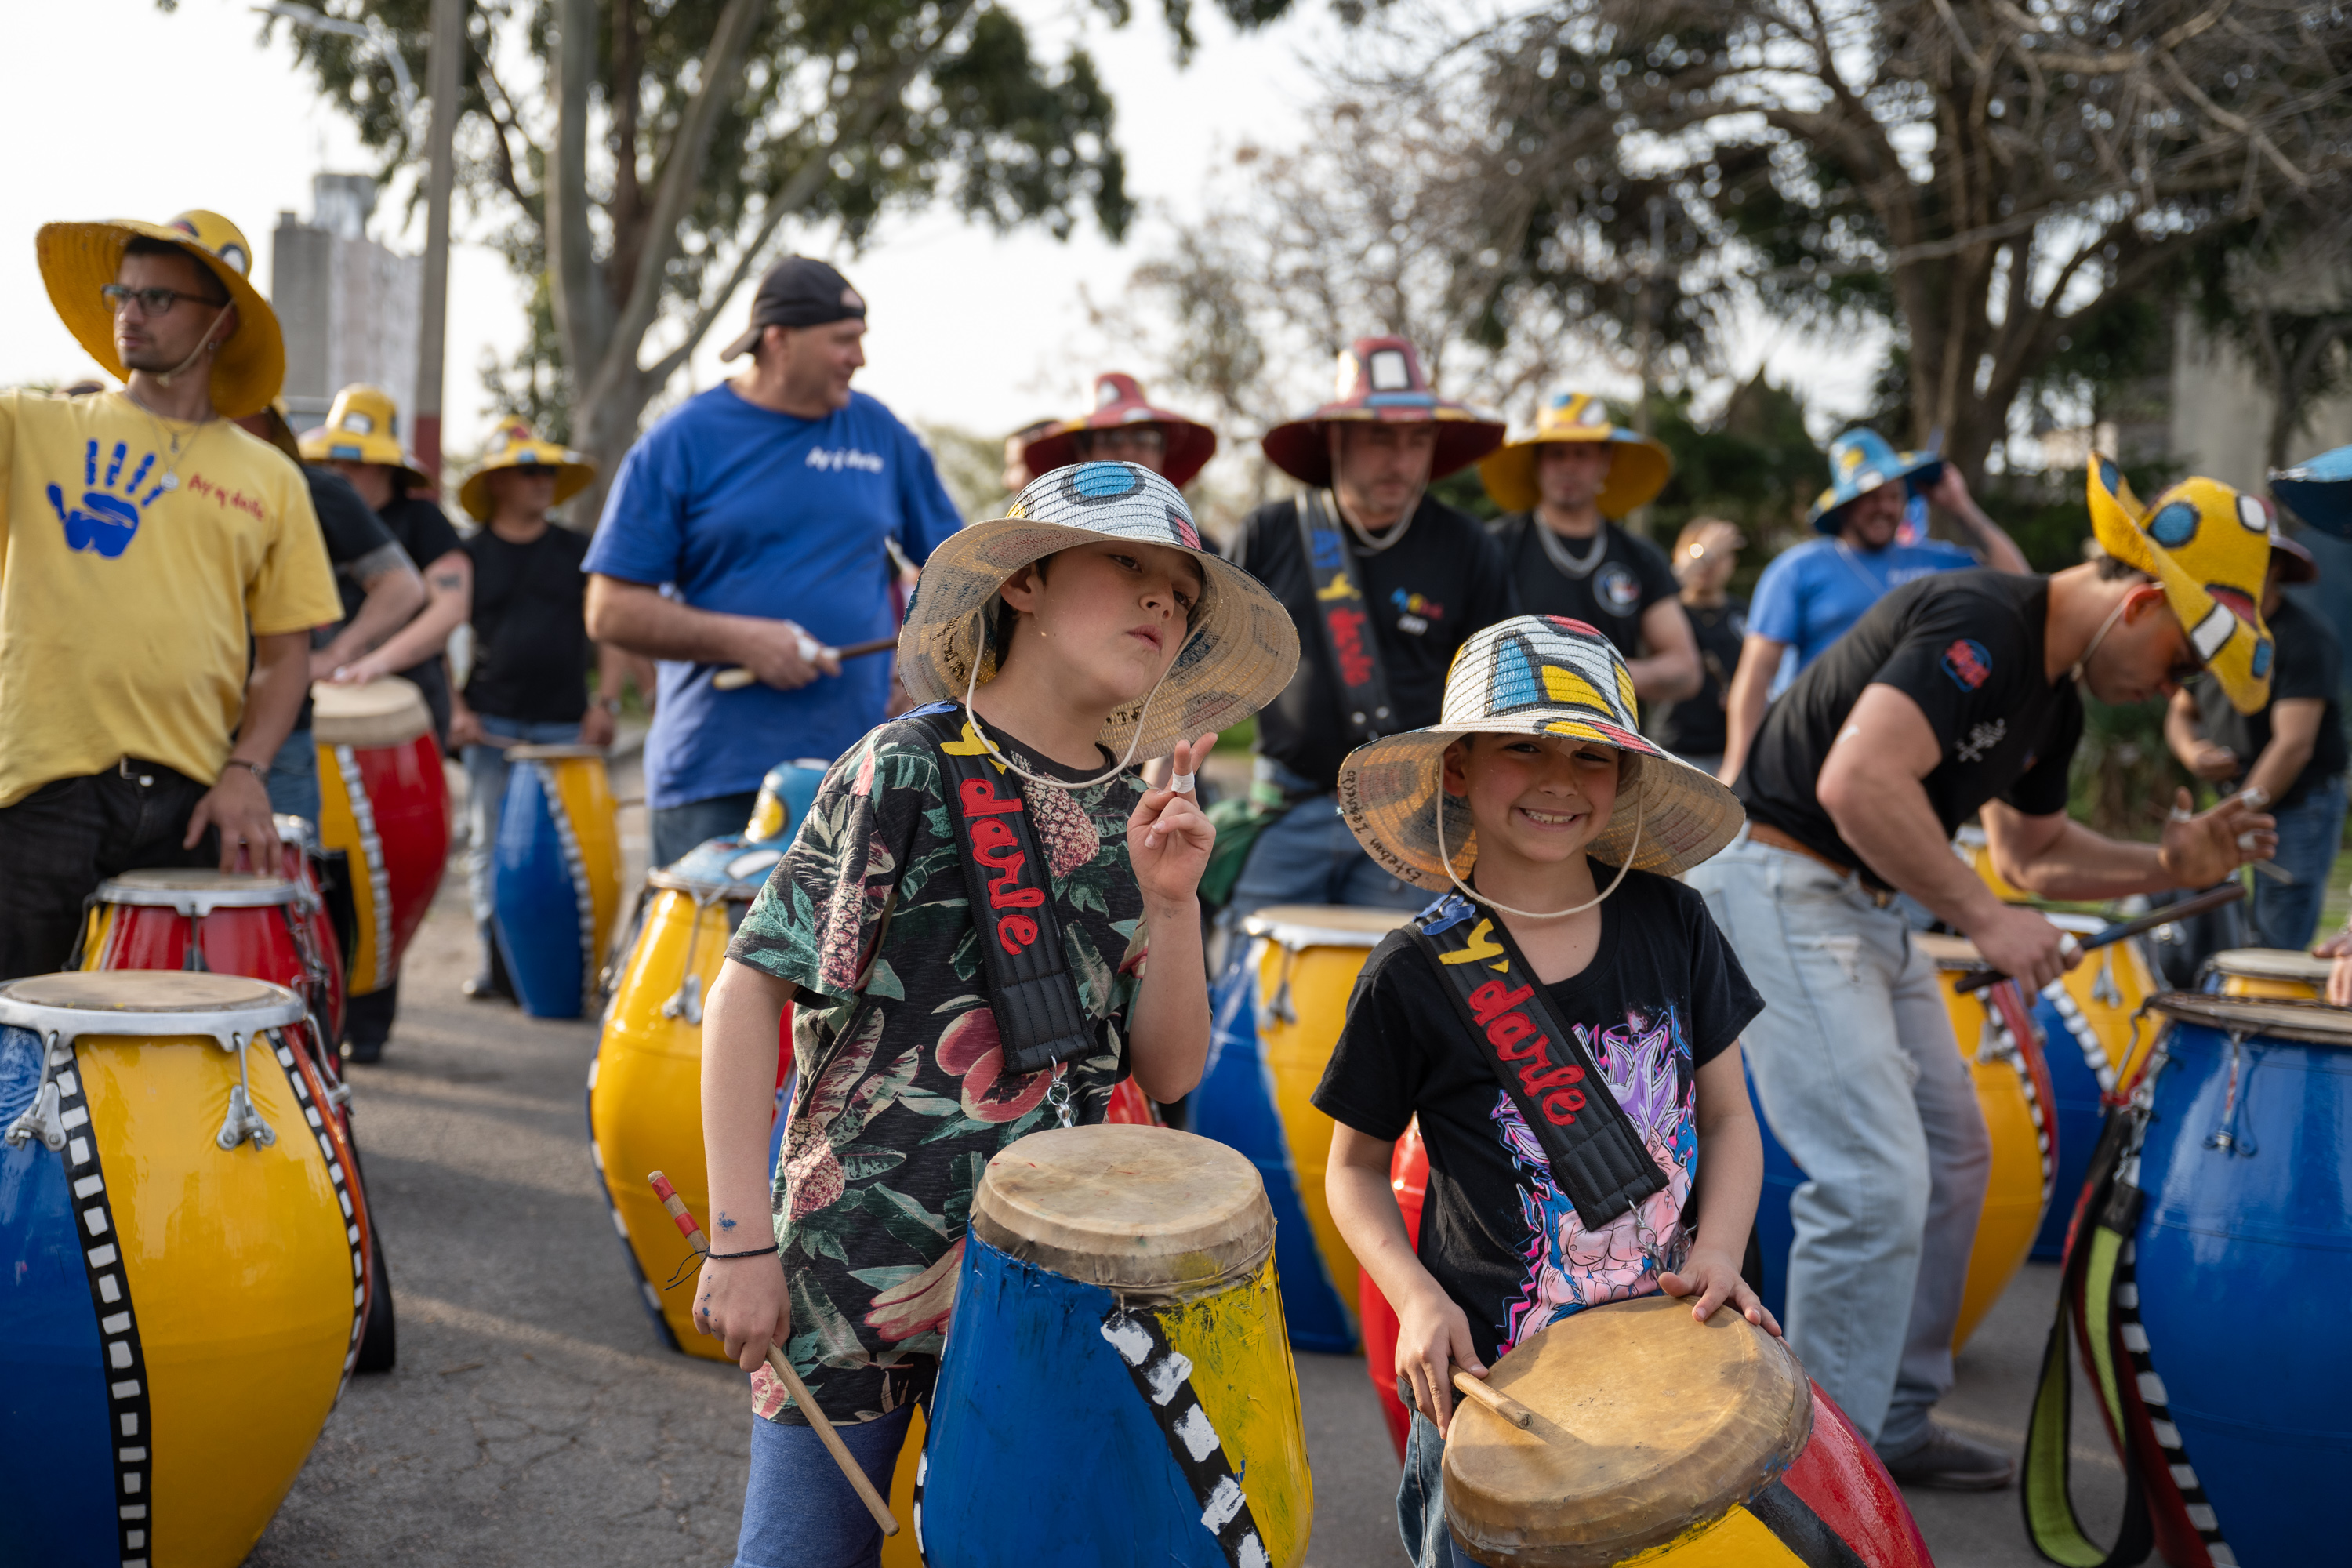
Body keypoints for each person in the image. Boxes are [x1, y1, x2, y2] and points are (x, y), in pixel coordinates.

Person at [693, 462, 1296, 1566]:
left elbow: (1165, 1070)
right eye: (1128, 566)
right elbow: (747, 990)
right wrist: (739, 1239)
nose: (1163, 598)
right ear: (1021, 585)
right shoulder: (903, 768)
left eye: (1181, 588)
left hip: (1064, 1283)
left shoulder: (1143, 811)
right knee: (801, 1551)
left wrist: (1170, 903)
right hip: (857, 1266)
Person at [1685, 459, 2281, 1489]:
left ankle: (1888, 1419)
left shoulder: (2054, 699)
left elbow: (2030, 855)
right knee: (1873, 1183)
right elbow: (1859, 780)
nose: (2174, 689)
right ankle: (1810, 1478)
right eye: (2183, 658)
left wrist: (2165, 866)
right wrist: (1989, 921)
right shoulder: (1982, 621)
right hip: (1781, 881)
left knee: (1958, 1155)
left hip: (1861, 905)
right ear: (2139, 599)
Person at [1312, 615, 1773, 1568]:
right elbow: (1352, 1169)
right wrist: (1416, 1298)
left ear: (1626, 778)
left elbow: (1730, 1117)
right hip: (1498, 1390)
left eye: (1591, 756)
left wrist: (1723, 1248)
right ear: (1458, 768)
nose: (1561, 778)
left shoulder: (1675, 922)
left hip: (1678, 1358)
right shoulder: (1413, 970)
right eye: (1523, 748)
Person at [2, 209, 339, 978]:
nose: (130, 311)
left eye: (159, 298)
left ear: (220, 324)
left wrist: (247, 768)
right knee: (13, 1037)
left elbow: (287, 658)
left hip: (190, 800)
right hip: (40, 786)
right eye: (124, 291)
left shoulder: (272, 478)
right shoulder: (30, 425)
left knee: (147, 1058)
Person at [585, 256, 964, 866]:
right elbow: (609, 612)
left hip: (860, 773)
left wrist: (919, 665)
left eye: (860, 340)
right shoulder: (681, 439)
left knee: (851, 966)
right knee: (708, 963)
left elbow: (960, 573)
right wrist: (744, 641)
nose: (858, 358)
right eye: (843, 341)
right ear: (779, 342)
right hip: (713, 778)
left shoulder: (880, 433)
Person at [1223, 336, 1516, 918]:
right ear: (1337, 438)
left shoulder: (1467, 545)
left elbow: (1499, 691)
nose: (1401, 460)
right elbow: (1201, 666)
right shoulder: (1269, 532)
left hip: (1411, 820)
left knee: (1394, 994)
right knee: (1248, 989)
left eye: (1417, 440)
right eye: (1381, 437)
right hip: (1285, 808)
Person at [1718, 429, 2029, 783]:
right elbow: (1757, 673)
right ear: (1845, 503)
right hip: (1814, 746)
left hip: (1910, 755)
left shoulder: (1935, 562)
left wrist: (1961, 506)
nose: (1885, 507)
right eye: (1871, 496)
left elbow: (2019, 585)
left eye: (1894, 495)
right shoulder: (1798, 569)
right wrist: (1737, 766)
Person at [450, 423, 635, 1002]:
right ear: (498, 481)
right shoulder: (468, 554)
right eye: (531, 471)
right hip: (491, 724)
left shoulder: (578, 551)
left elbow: (612, 632)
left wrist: (605, 702)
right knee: (488, 844)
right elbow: (440, 637)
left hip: (564, 726)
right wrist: (454, 709)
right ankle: (497, 964)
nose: (543, 482)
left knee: (581, 847)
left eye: (550, 472)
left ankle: (577, 964)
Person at [229, 399, 426, 821]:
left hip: (276, 738)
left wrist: (336, 655)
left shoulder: (311, 486)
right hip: (173, 737)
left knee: (279, 879)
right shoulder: (164, 477)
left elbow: (403, 586)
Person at [2165, 524, 2343, 951]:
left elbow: (2293, 745)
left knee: (2276, 943)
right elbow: (2180, 712)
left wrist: (2234, 814)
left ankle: (2268, 1016)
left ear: (2275, 566)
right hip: (2238, 800)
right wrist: (2193, 753)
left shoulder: (2303, 638)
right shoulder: (2212, 632)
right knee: (2217, 928)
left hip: (2297, 804)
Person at [1476, 391, 1698, 706]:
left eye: (1582, 454)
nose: (1569, 466)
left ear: (1605, 463)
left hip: (1612, 743)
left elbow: (1685, 669)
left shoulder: (1641, 558)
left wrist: (1588, 675)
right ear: (1537, 463)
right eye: (1557, 454)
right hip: (1512, 737)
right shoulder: (1492, 547)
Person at [300, 384, 470, 743]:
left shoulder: (422, 519)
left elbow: (451, 607)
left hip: (407, 696)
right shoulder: (315, 519)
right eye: (331, 460)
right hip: (326, 695)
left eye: (355, 463)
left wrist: (373, 662)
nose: (340, 471)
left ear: (386, 466)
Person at [1650, 517, 1748, 776]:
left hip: (1730, 753)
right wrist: (1705, 552)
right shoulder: (1663, 614)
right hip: (1674, 750)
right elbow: (1659, 586)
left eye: (1720, 555)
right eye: (1697, 551)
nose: (1709, 563)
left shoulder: (1744, 615)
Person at [1018, 372, 1217, 488]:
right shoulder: (1050, 545)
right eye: (1110, 439)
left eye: (1144, 438)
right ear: (1082, 452)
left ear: (1162, 452)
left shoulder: (1195, 549)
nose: (1128, 452)